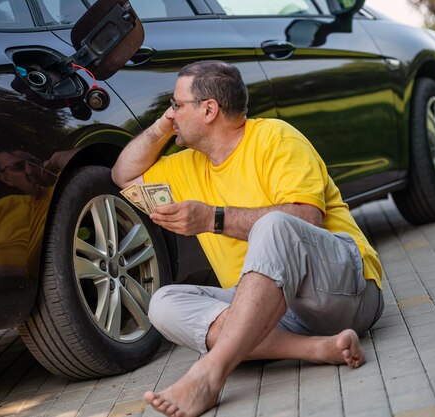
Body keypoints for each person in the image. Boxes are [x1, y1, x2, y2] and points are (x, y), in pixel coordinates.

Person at [111, 60, 384, 417]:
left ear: (209, 109)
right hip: (268, 312)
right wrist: (165, 126)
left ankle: (211, 373)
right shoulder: (187, 163)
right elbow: (123, 174)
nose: (170, 113)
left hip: (343, 292)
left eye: (176, 105)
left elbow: (306, 218)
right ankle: (315, 349)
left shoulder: (275, 138)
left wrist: (212, 218)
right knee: (163, 303)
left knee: (274, 224)